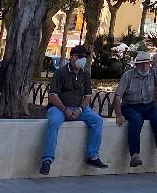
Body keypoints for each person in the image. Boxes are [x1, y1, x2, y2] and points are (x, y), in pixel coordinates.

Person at [40, 44, 108, 175]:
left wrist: (80, 110)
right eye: (80, 57)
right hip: (59, 108)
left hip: (80, 108)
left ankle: (92, 156)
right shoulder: (61, 73)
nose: (83, 59)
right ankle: (47, 159)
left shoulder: (85, 75)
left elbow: (88, 96)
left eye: (85, 57)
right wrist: (64, 109)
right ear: (72, 57)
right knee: (53, 122)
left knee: (97, 121)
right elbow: (53, 95)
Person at [113, 49, 157, 168]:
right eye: (142, 64)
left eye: (147, 63)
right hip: (131, 106)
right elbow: (117, 96)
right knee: (136, 121)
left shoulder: (154, 73)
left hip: (148, 104)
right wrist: (119, 114)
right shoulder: (128, 75)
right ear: (137, 65)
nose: (145, 66)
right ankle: (134, 156)